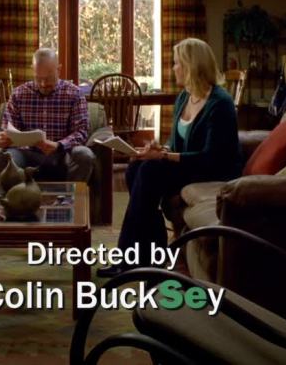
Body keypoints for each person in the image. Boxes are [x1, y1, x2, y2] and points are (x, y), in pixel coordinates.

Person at [97, 38, 243, 277]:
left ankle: (129, 257)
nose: (173, 68)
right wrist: (159, 149)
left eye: (177, 63)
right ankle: (151, 252)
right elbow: (176, 145)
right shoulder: (184, 97)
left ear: (191, 66)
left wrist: (163, 155)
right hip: (190, 166)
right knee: (135, 168)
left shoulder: (220, 103)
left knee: (149, 171)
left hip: (212, 169)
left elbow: (212, 158)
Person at [0, 48, 95, 183]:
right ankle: (19, 194)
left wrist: (58, 145)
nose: (43, 84)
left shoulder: (75, 94)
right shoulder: (19, 94)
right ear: (33, 70)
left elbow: (81, 132)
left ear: (59, 70)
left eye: (48, 79)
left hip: (62, 154)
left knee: (85, 155)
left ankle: (69, 195)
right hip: (25, 153)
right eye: (39, 79)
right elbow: (8, 128)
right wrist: (4, 138)